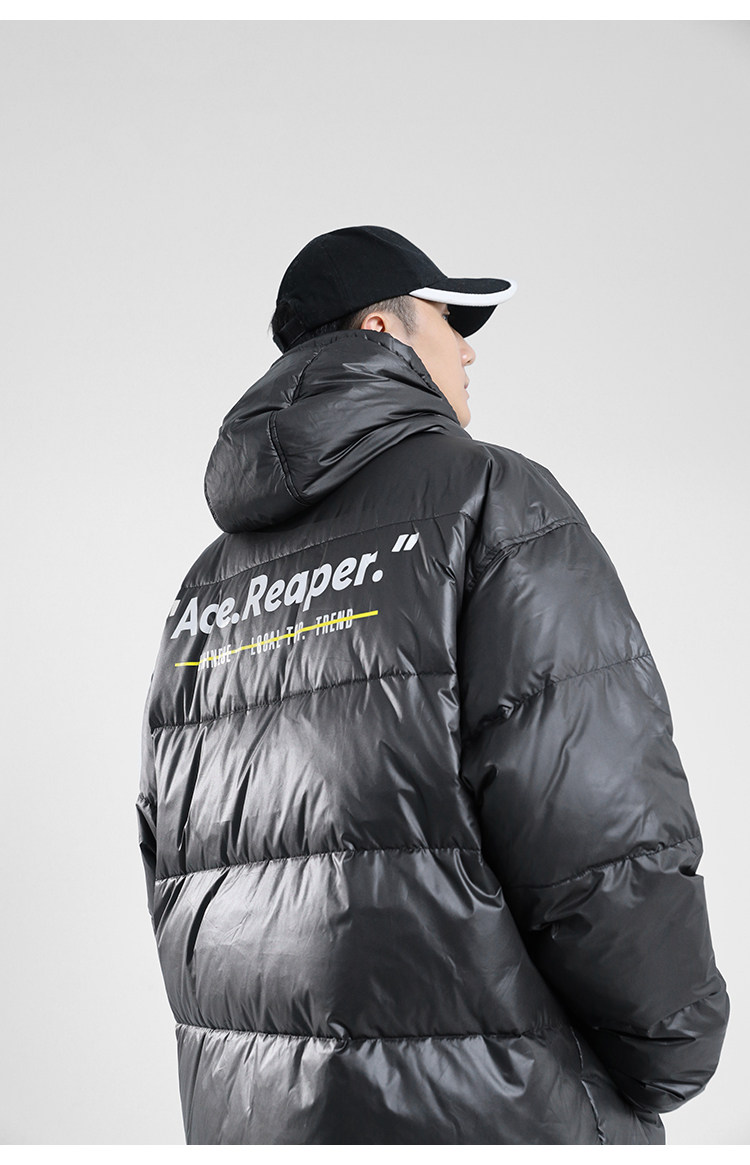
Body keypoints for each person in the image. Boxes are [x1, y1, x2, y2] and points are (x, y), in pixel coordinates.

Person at [137, 225, 729, 1145]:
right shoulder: (488, 501)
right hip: (497, 1113)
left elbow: (178, 870)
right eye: (451, 321)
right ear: (382, 330)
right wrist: (673, 1044)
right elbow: (596, 822)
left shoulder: (209, 585)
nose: (469, 349)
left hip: (260, 1119)